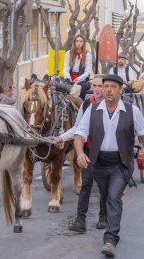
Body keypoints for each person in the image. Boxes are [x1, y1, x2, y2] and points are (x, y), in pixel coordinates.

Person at [74, 75, 144, 257]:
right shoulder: (92, 110)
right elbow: (79, 133)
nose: (108, 90)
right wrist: (80, 153)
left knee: (113, 198)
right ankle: (109, 227)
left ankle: (110, 239)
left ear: (120, 90)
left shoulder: (132, 111)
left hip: (121, 164)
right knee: (105, 195)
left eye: (113, 87)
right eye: (106, 86)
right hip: (98, 163)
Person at [54, 75, 107, 232]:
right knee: (86, 185)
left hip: (105, 152)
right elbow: (78, 127)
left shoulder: (111, 105)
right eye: (94, 86)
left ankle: (103, 217)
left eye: (100, 86)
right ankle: (80, 220)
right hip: (89, 151)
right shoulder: (86, 104)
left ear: (107, 87)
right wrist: (61, 137)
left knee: (104, 187)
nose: (96, 89)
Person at [63, 34, 92, 100]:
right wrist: (68, 77)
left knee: (83, 86)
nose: (79, 43)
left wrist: (78, 79)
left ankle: (80, 103)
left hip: (81, 79)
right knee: (63, 86)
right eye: (77, 41)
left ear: (84, 43)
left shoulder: (88, 54)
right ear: (74, 42)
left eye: (81, 41)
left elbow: (87, 71)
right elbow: (66, 67)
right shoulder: (68, 53)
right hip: (70, 77)